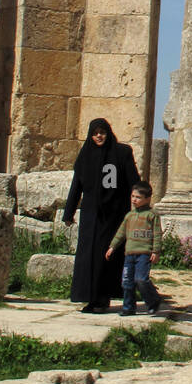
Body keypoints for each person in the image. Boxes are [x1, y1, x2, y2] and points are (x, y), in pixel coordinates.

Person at [63, 117, 140, 313]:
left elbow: (134, 182)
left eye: (102, 132)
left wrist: (140, 210)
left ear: (108, 133)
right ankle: (89, 297)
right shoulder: (85, 156)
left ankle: (102, 298)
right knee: (87, 256)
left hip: (113, 215)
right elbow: (76, 186)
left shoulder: (121, 153)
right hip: (91, 215)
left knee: (106, 256)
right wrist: (68, 212)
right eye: (95, 133)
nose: (99, 136)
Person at [106, 181, 163, 316]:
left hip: (144, 253)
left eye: (138, 197)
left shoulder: (152, 215)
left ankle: (153, 300)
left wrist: (155, 251)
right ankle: (128, 307)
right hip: (129, 253)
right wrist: (112, 247)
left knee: (141, 280)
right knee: (127, 281)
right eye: (132, 196)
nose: (134, 200)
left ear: (147, 199)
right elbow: (121, 233)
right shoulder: (129, 216)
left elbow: (157, 234)